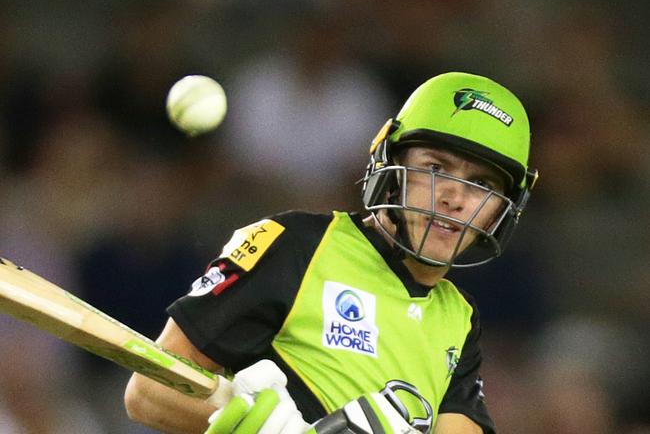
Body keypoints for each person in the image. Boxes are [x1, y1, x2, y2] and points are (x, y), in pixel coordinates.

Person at [124, 72, 538, 434]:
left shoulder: (459, 318)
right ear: (391, 167)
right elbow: (147, 393)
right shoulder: (295, 246)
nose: (454, 197)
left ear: (502, 210)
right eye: (435, 168)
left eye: (482, 184)